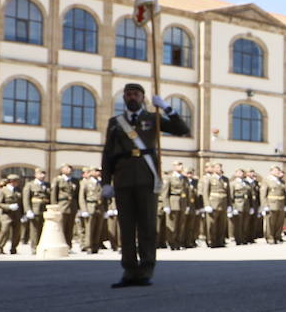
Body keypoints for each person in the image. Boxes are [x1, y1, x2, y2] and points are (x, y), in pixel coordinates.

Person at [100, 83, 191, 286]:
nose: (132, 97)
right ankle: (129, 271)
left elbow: (182, 129)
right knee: (127, 227)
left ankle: (146, 270)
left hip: (147, 179)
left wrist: (167, 108)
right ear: (124, 98)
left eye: (136, 94)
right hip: (123, 180)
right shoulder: (115, 122)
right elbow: (107, 154)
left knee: (148, 227)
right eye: (128, 94)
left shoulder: (153, 118)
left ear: (143, 98)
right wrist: (106, 182)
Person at [52, 164, 80, 250]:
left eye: (70, 168)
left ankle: (69, 245)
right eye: (67, 168)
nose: (69, 170)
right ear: (62, 170)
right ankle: (61, 244)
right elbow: (54, 194)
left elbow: (77, 195)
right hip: (62, 205)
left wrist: (78, 207)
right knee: (62, 226)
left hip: (72, 206)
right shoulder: (58, 180)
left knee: (70, 227)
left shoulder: (75, 180)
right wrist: (54, 206)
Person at [23, 168, 51, 254]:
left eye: (44, 174)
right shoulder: (30, 185)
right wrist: (28, 210)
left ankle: (42, 246)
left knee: (43, 229)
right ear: (35, 175)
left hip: (45, 209)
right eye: (40, 173)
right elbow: (26, 199)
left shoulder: (47, 185)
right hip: (35, 210)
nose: (42, 175)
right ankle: (34, 247)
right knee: (34, 230)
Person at [0, 174, 23, 254]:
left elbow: (21, 203)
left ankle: (13, 248)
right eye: (16, 181)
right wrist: (9, 206)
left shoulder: (18, 190)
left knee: (17, 232)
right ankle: (0, 247)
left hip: (17, 214)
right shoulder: (3, 190)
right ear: (11, 182)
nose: (17, 183)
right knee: (5, 231)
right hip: (6, 214)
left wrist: (23, 214)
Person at [262, 164, 286, 242]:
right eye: (276, 170)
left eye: (278, 170)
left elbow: (284, 193)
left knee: (279, 222)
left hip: (281, 204)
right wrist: (265, 205)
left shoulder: (281, 181)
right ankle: (270, 237)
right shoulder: (266, 180)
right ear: (271, 171)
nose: (278, 172)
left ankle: (278, 236)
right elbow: (263, 194)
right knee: (270, 222)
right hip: (271, 204)